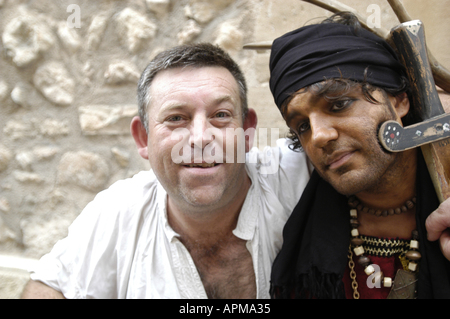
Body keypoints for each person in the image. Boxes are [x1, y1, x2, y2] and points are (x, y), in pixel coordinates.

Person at [21, 43, 311, 299]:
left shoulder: (296, 177)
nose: (200, 138)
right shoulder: (121, 212)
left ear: (247, 132)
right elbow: (49, 285)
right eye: (176, 118)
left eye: (221, 115)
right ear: (143, 139)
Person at [268, 13, 450, 299]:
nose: (318, 136)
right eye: (302, 125)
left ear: (400, 100)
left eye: (339, 104)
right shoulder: (301, 241)